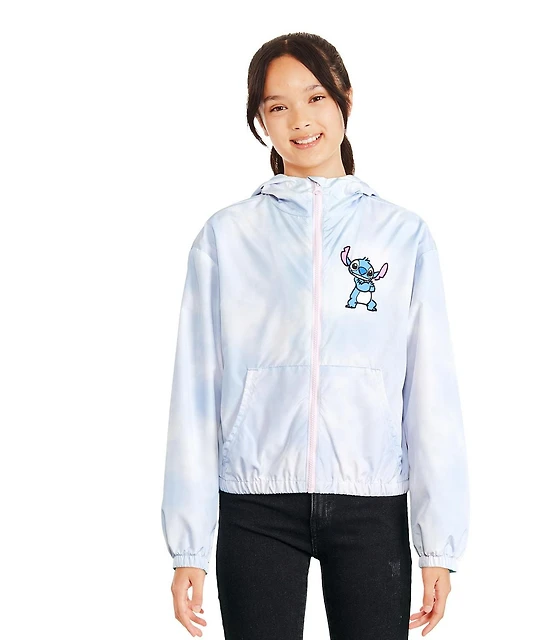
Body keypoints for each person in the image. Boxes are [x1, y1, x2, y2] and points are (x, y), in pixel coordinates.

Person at [161, 32, 470, 640]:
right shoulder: (226, 237)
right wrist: (189, 543)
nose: (300, 121)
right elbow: (194, 392)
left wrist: (439, 543)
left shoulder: (402, 235)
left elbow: (430, 392)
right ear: (260, 121)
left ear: (345, 98)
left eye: (316, 97)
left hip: (371, 503)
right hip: (254, 504)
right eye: (277, 106)